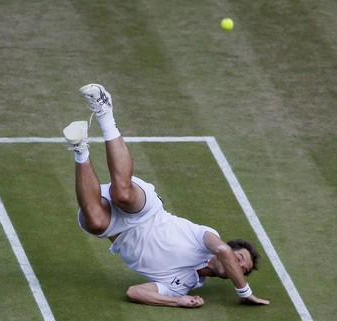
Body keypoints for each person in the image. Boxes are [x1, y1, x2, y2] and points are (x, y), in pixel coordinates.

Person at [62, 83, 270, 308]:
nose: (238, 267)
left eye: (242, 270)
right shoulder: (207, 237)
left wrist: (178, 301)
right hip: (147, 211)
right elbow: (222, 249)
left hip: (119, 231)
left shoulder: (183, 285)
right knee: (121, 193)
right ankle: (104, 110)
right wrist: (245, 292)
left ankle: (80, 148)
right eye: (239, 260)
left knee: (93, 221)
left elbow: (135, 292)